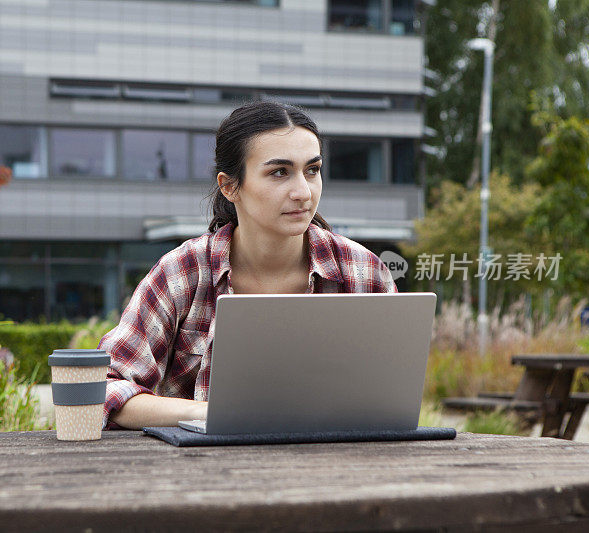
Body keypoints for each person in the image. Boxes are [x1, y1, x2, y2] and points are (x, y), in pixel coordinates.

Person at [98, 100, 397, 430]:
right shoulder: (182, 272)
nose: (303, 192)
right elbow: (105, 388)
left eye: (312, 170)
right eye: (279, 172)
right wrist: (208, 413)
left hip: (337, 470)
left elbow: (392, 398)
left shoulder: (364, 272)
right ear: (229, 186)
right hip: (206, 471)